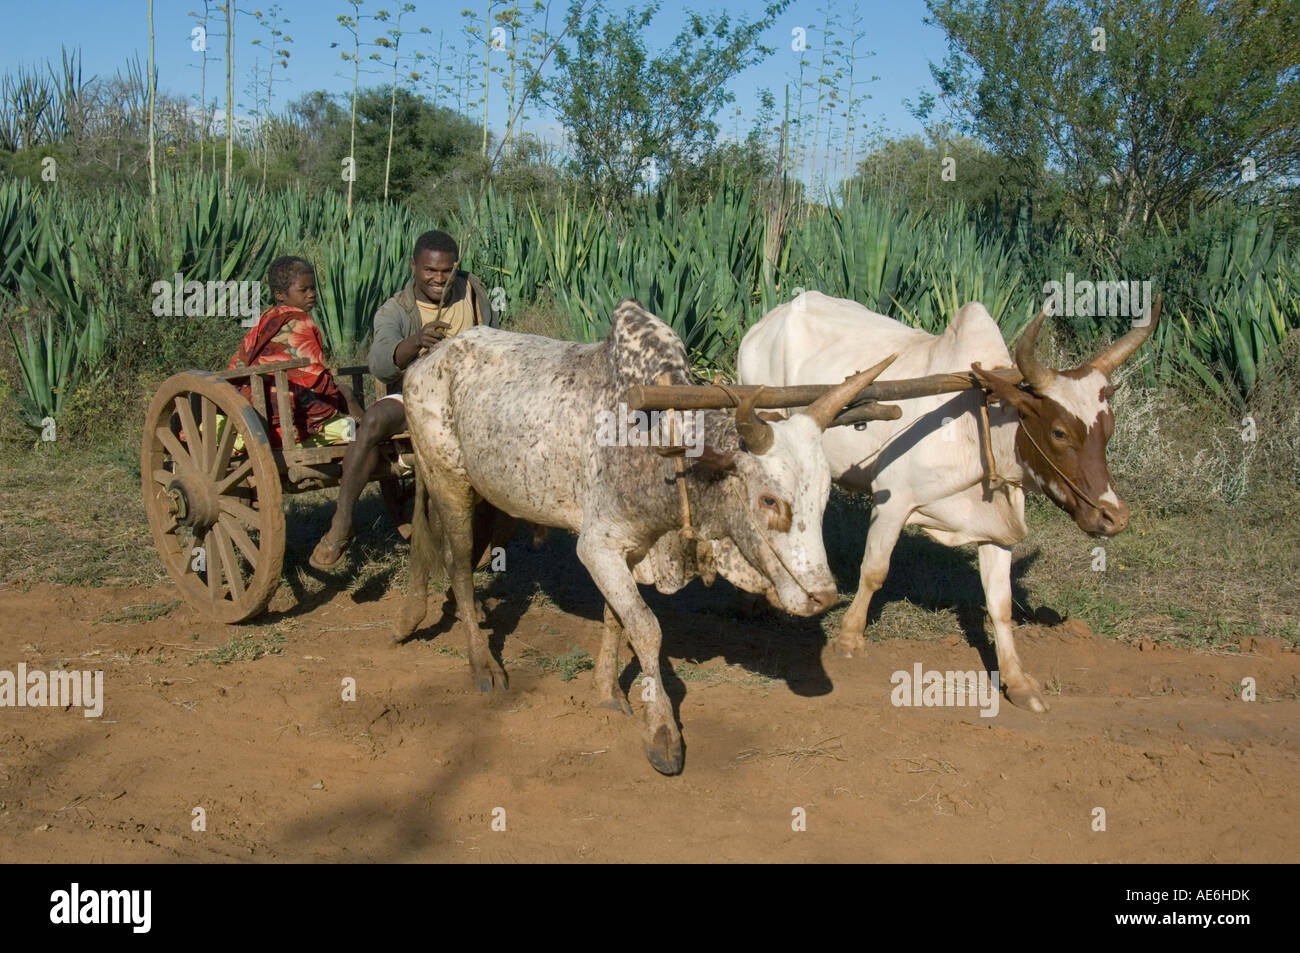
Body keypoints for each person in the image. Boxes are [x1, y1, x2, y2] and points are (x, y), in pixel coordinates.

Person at [309, 230, 497, 570]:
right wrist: (416, 342)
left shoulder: (473, 294)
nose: (439, 279)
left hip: (474, 399)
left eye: (446, 271)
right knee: (375, 421)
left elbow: (496, 337)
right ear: (414, 266)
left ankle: (493, 529)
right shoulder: (396, 310)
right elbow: (380, 365)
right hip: (416, 397)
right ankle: (342, 522)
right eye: (429, 271)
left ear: (456, 267)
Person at [229, 256, 363, 448]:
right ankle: (372, 437)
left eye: (313, 288)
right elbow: (314, 376)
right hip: (286, 407)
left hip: (258, 403)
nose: (311, 294)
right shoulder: (301, 321)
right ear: (280, 295)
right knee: (345, 392)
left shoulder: (266, 319)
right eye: (304, 290)